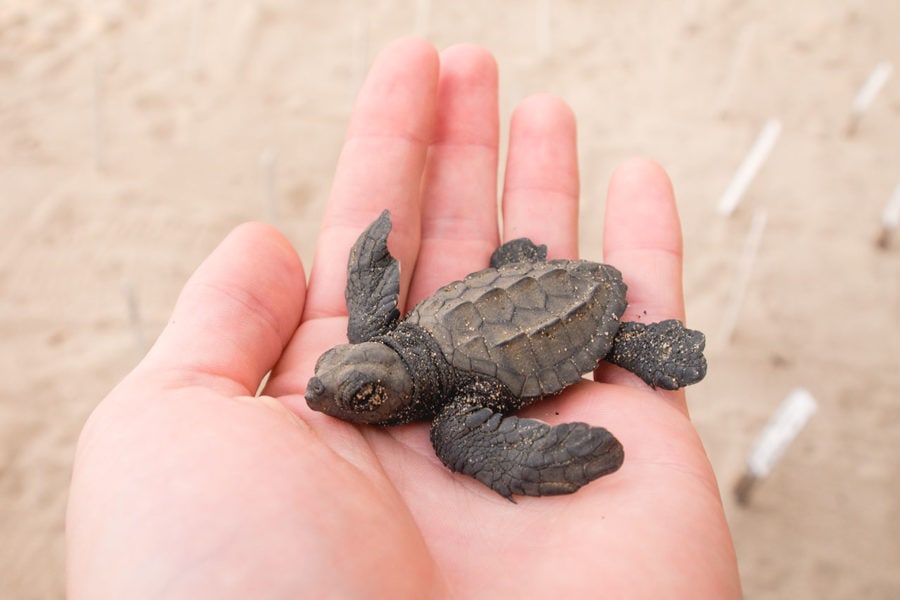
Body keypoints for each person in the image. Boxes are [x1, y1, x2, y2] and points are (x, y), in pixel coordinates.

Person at [66, 38, 741, 598]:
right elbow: (364, 306)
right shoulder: (405, 360)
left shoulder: (452, 417)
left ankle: (632, 343)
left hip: (577, 315)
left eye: (357, 394)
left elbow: (374, 281)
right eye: (335, 379)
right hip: (511, 288)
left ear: (392, 394)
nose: (322, 394)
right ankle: (520, 271)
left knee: (572, 370)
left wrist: (375, 256)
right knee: (487, 312)